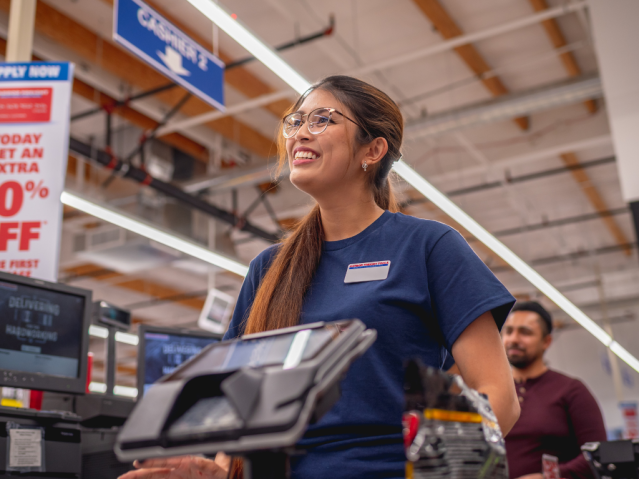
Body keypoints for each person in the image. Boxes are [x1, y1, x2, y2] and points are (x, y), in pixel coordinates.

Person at [121, 75, 520, 479]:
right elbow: (236, 413)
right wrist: (217, 471)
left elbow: (499, 395)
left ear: (373, 149)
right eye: (295, 123)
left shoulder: (428, 246)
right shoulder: (269, 269)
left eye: (323, 120)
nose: (300, 135)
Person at [502, 301, 607, 479]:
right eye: (508, 331)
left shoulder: (571, 391)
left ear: (546, 341)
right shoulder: (489, 393)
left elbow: (599, 452)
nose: (514, 339)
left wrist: (547, 477)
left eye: (525, 332)